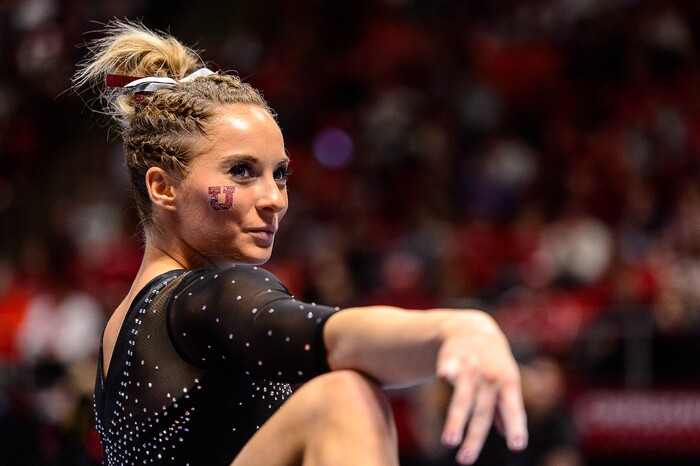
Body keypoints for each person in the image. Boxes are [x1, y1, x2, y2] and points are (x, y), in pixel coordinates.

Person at [73, 20, 528, 466]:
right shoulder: (203, 299)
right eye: (241, 171)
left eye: (280, 174)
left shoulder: (124, 326)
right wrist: (454, 329)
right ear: (163, 187)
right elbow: (327, 338)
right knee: (342, 399)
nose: (274, 200)